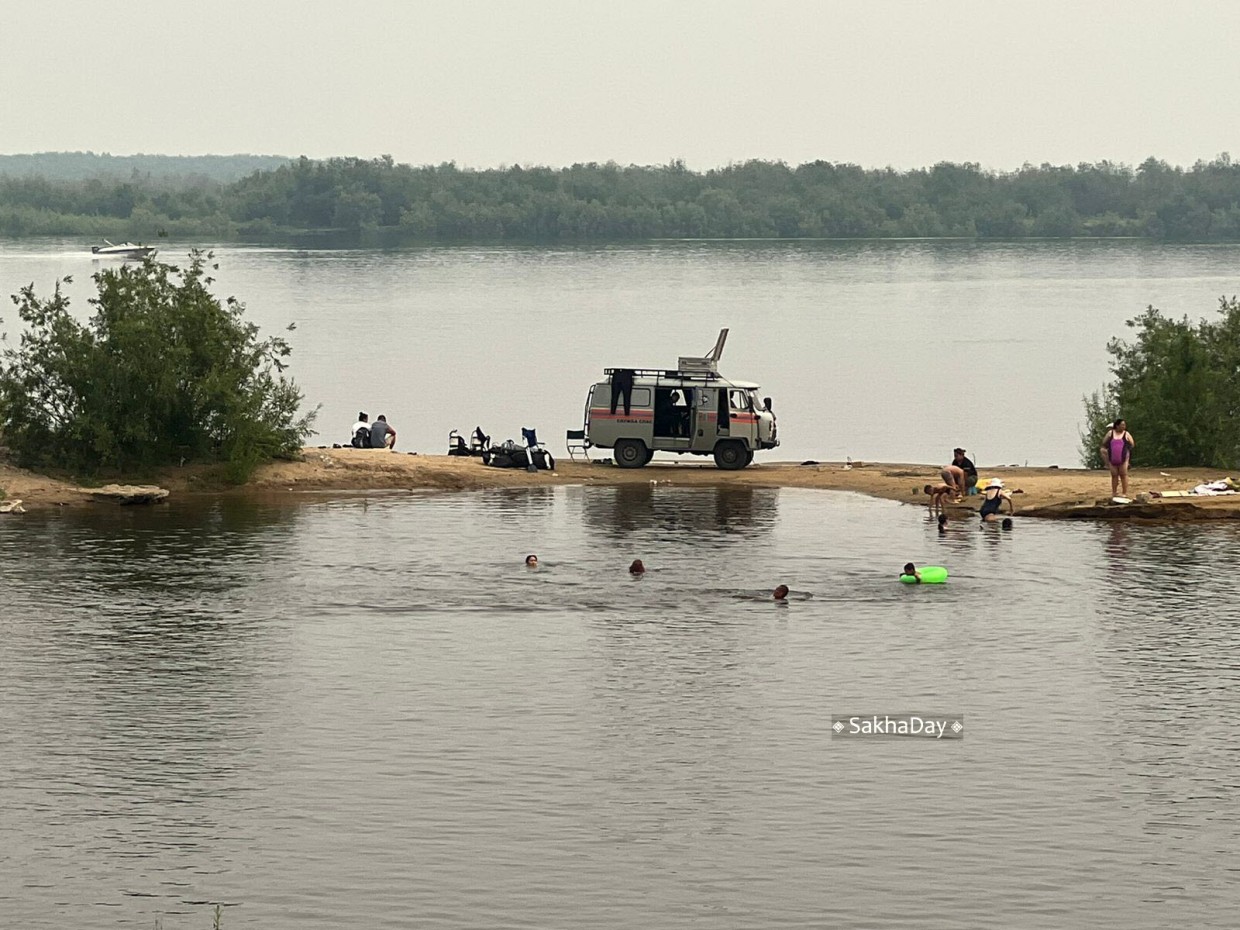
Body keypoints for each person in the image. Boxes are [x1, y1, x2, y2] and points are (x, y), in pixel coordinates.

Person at [1100, 418, 1134, 496]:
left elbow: (1132, 444)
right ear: (1117, 425)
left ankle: (1124, 492)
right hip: (1112, 457)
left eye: (1124, 425)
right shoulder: (1110, 433)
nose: (1124, 426)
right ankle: (1114, 492)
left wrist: (1127, 451)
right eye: (1122, 425)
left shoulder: (1126, 434)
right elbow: (1104, 443)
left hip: (1123, 457)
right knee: (1114, 474)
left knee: (1123, 474)